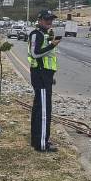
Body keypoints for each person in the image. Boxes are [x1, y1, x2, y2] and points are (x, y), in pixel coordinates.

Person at [27, 10, 61, 152]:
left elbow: (46, 59)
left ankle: (37, 140)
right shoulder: (37, 34)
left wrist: (50, 77)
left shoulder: (44, 34)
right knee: (43, 111)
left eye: (51, 19)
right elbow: (35, 54)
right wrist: (52, 45)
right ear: (40, 20)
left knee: (39, 109)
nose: (49, 22)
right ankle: (42, 144)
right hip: (40, 76)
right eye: (47, 19)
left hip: (44, 76)